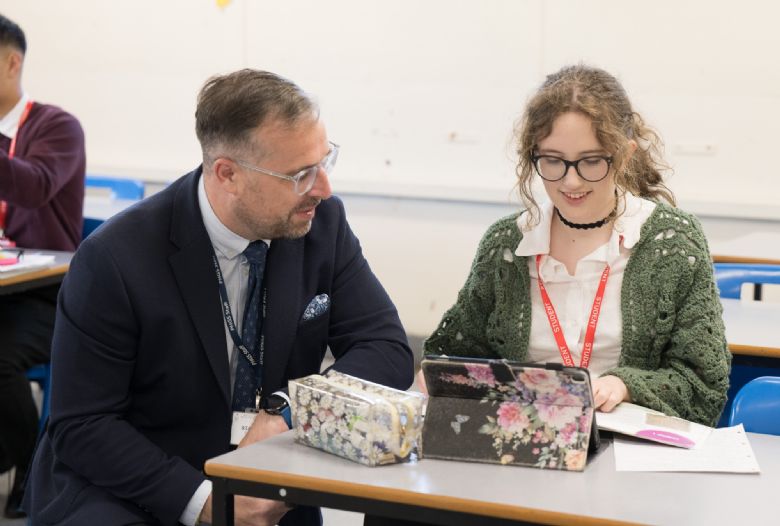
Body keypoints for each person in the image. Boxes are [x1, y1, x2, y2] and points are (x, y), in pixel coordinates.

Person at [23, 69, 414, 525]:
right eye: (301, 174)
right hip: (138, 488)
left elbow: (386, 348)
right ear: (228, 174)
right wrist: (208, 503)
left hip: (268, 477)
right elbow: (83, 425)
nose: (324, 188)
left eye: (325, 161)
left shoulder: (321, 226)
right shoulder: (115, 258)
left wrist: (288, 410)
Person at [422, 65, 730, 426]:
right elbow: (449, 359)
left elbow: (703, 386)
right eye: (553, 161)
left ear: (624, 154)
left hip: (625, 446)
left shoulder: (673, 242)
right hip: (525, 441)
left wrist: (625, 385)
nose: (571, 181)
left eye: (591, 161)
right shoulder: (506, 244)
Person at [0, 13, 85, 519]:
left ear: (12, 63)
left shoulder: (57, 127)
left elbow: (32, 187)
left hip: (45, 296)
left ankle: (30, 467)